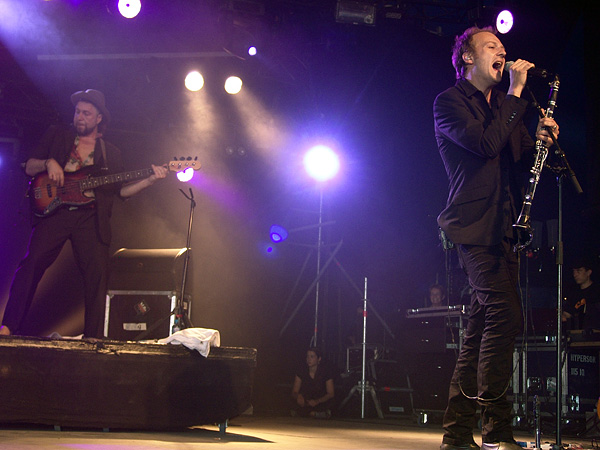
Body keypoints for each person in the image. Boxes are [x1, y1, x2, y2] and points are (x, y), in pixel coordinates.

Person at [434, 26, 559, 450]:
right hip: (472, 228)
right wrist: (517, 93)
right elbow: (486, 145)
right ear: (468, 58)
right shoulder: (449, 103)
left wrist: (542, 137)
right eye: (492, 46)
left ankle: (455, 433)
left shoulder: (502, 106)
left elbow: (520, 158)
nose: (502, 52)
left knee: (481, 327)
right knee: (505, 315)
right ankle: (497, 430)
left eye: (503, 48)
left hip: (504, 229)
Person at [0, 89, 168, 339]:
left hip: (89, 218)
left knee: (98, 273)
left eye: (86, 113)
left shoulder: (110, 152)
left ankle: (93, 339)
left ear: (99, 118)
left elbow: (120, 192)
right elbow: (28, 166)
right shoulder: (57, 135)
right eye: (77, 111)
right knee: (32, 263)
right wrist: (48, 162)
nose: (80, 117)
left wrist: (150, 180)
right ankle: (8, 327)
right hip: (55, 212)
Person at [291, 347, 335, 418]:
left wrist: (317, 401)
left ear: (319, 359)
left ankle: (320, 413)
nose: (309, 359)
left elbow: (330, 393)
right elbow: (294, 392)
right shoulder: (301, 372)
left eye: (312, 356)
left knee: (331, 403)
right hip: (307, 399)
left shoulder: (326, 372)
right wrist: (299, 397)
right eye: (307, 356)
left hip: (320, 399)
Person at [562, 259, 600, 331]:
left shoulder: (597, 291)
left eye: (579, 271)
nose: (575, 274)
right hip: (578, 334)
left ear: (588, 272)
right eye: (574, 271)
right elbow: (567, 314)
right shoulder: (574, 294)